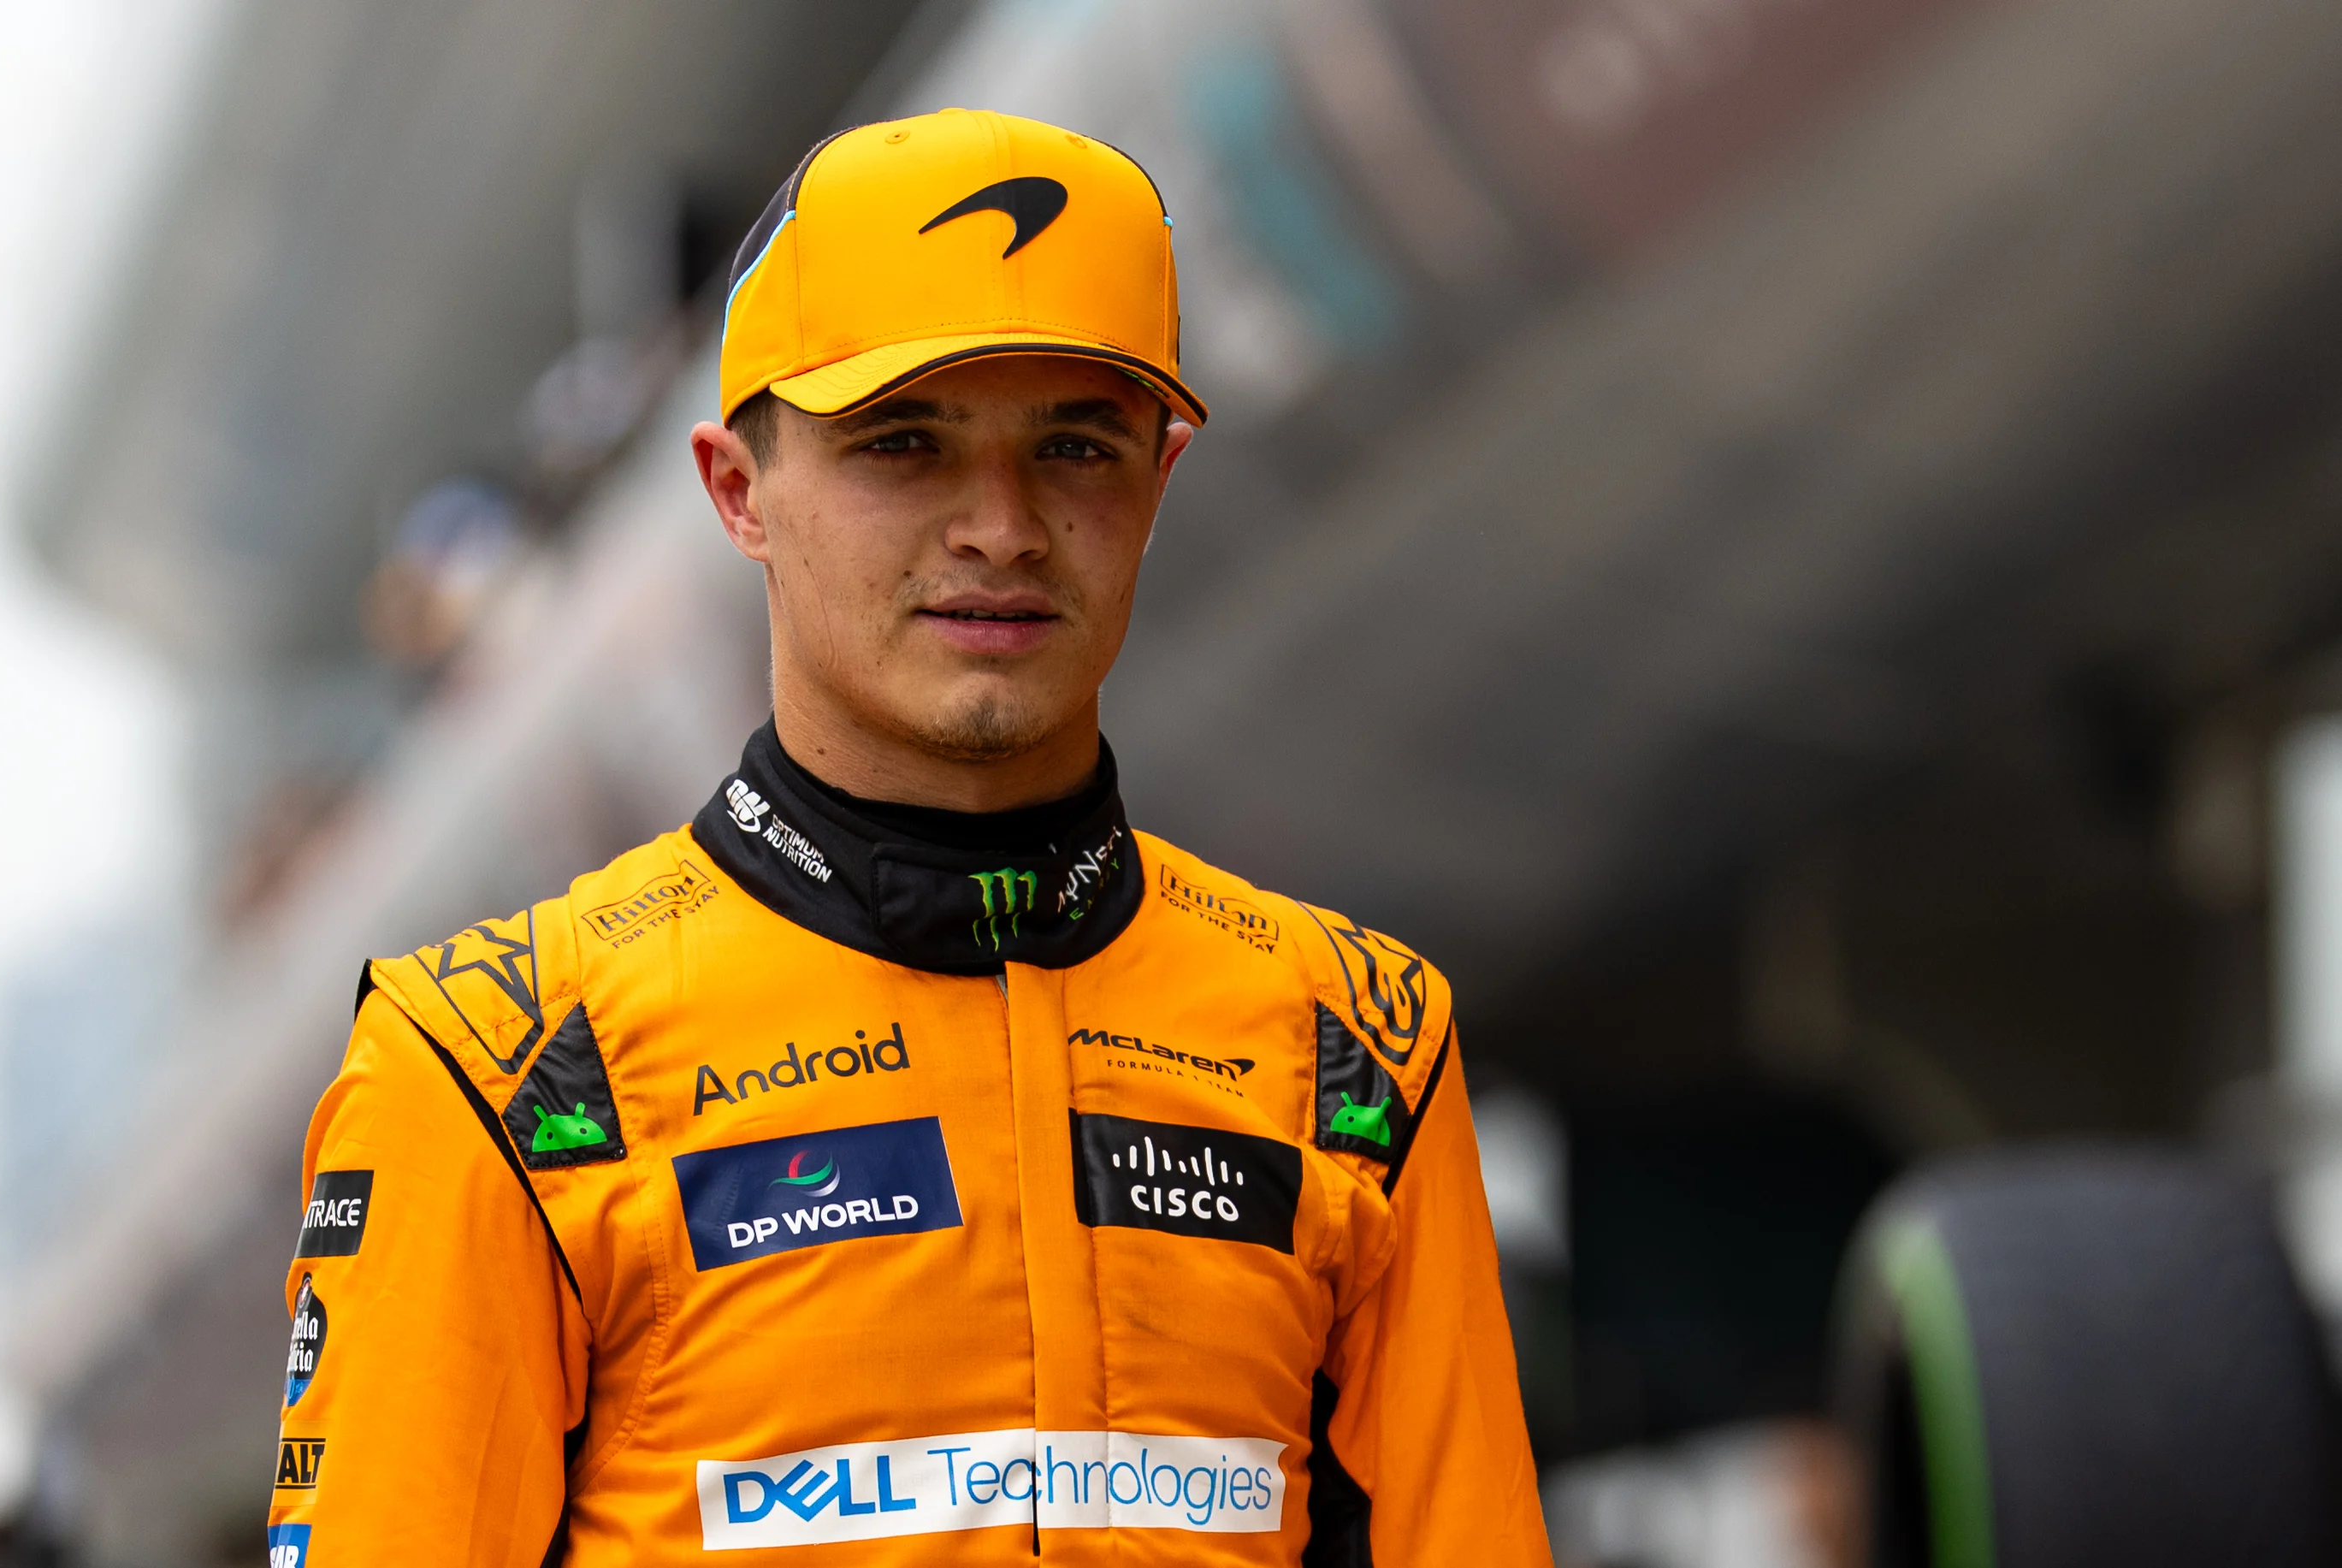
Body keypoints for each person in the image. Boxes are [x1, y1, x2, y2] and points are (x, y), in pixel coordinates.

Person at [264, 107, 1550, 1567]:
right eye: (903, 444)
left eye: (1074, 445)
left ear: (1159, 482)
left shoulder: (1357, 1045)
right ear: (736, 491)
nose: (1000, 526)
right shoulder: (497, 1067)